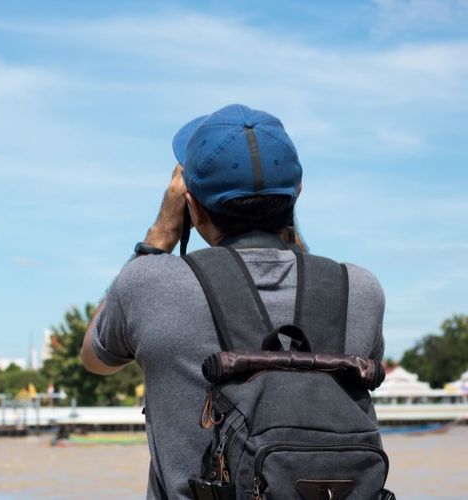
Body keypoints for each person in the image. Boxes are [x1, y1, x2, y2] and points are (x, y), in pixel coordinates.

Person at [80, 104, 385, 499]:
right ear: (297, 194)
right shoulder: (360, 290)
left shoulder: (149, 284)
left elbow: (95, 359)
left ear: (190, 204)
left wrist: (160, 236)